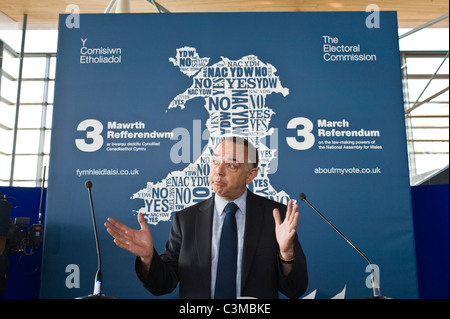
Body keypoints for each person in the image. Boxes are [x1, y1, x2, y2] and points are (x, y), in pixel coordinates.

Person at [105, 136, 308, 298]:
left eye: (231, 165)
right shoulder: (186, 219)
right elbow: (163, 285)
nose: (218, 172)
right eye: (215, 162)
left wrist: (286, 253)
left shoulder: (277, 217)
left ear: (250, 175)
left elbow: (295, 290)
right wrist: (148, 257)